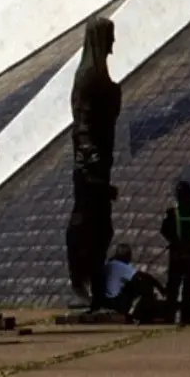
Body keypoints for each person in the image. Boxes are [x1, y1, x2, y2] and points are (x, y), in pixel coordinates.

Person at [66, 16, 121, 308]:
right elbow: (82, 120)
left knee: (103, 226)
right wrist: (88, 154)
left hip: (101, 159)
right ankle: (81, 281)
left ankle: (95, 280)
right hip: (90, 164)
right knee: (87, 222)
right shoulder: (88, 75)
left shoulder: (99, 73)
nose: (113, 43)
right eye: (109, 36)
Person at [159, 181, 190, 326]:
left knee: (173, 286)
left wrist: (175, 242)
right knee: (189, 286)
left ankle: (169, 316)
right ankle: (187, 317)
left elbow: (164, 230)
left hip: (176, 254)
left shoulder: (171, 213)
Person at [102, 244, 165, 321]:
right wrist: (161, 289)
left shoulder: (110, 263)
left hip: (105, 298)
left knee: (133, 283)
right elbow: (145, 276)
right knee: (145, 285)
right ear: (127, 256)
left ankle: (135, 311)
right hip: (114, 300)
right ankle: (140, 313)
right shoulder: (120, 266)